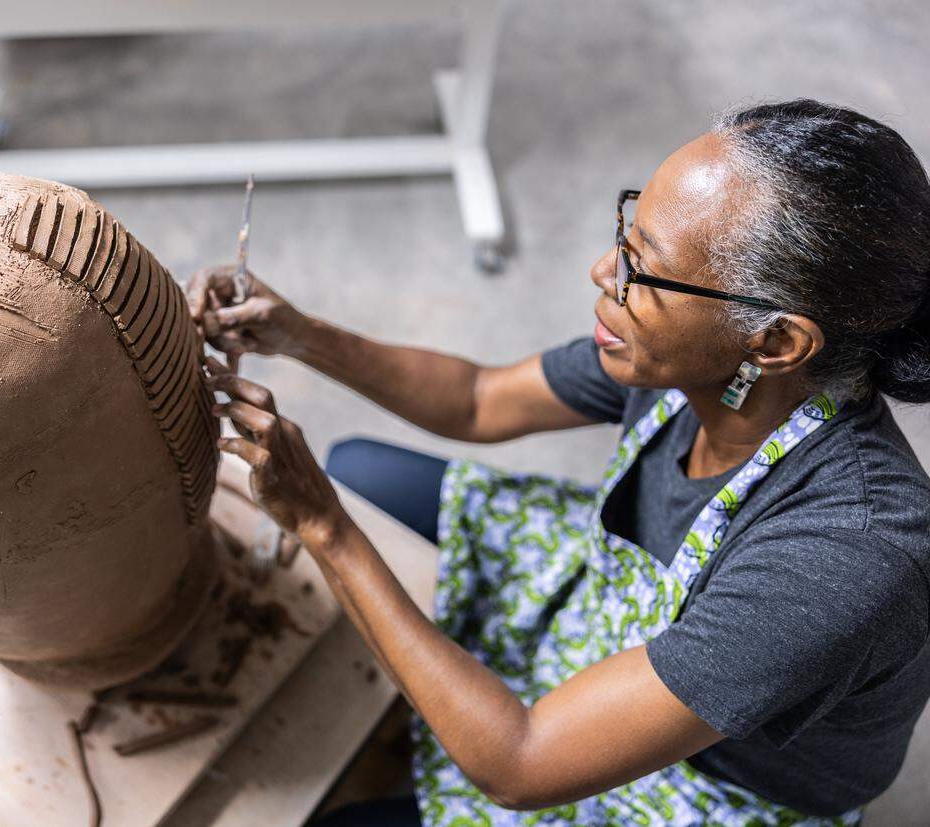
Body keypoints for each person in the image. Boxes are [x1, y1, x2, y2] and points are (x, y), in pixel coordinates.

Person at [185, 100, 930, 826]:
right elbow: (479, 399)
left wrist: (322, 524)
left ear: (773, 343)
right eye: (627, 231)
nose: (604, 271)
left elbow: (521, 763)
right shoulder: (688, 356)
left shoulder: (848, 552)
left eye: (644, 267)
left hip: (708, 787)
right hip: (616, 606)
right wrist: (297, 333)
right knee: (361, 469)